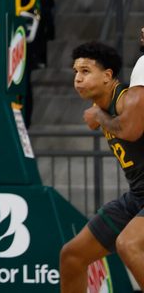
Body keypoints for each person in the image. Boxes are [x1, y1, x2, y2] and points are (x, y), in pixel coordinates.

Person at [61, 42, 144, 289]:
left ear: (108, 76)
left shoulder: (126, 99)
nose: (78, 78)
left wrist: (99, 117)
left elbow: (129, 130)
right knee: (72, 256)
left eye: (86, 71)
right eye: (76, 72)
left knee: (128, 244)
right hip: (137, 196)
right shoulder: (102, 106)